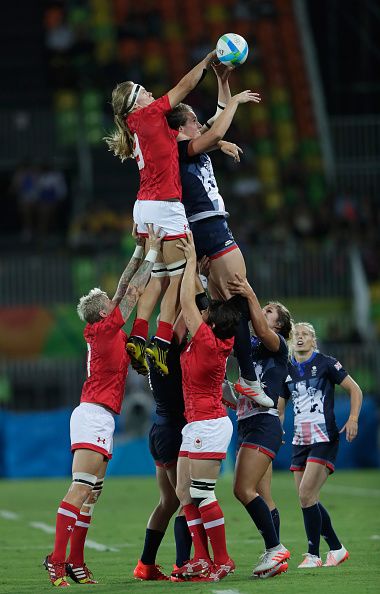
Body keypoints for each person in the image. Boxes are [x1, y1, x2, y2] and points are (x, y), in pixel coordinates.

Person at [43, 225, 163, 588]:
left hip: (99, 415)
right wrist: (154, 252)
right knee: (80, 489)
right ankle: (57, 560)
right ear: (102, 311)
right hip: (93, 413)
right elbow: (135, 289)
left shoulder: (103, 327)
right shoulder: (108, 326)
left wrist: (139, 249)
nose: (116, 300)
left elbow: (126, 284)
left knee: (92, 494)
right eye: (109, 301)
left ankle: (77, 564)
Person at [105, 49, 217, 377]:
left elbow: (194, 139)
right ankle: (161, 341)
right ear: (136, 103)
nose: (151, 93)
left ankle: (139, 335)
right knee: (180, 277)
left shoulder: (138, 125)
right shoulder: (151, 114)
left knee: (158, 276)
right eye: (143, 91)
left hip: (144, 207)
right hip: (166, 206)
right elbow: (185, 85)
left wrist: (219, 143)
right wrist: (208, 61)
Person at [166, 64, 272, 407]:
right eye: (194, 121)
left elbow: (216, 120)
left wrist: (222, 81)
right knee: (239, 299)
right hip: (209, 227)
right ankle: (248, 378)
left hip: (210, 227)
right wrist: (235, 106)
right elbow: (213, 132)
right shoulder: (178, 152)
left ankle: (221, 375)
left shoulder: (192, 147)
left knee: (223, 310)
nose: (200, 123)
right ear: (182, 127)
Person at [172, 232, 241, 583]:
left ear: (213, 322)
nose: (205, 311)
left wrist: (188, 263)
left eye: (209, 311)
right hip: (196, 423)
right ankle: (201, 558)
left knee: (202, 493)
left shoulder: (209, 342)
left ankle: (223, 559)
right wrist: (198, 276)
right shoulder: (214, 338)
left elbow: (186, 305)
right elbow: (188, 311)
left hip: (209, 423)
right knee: (184, 492)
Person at [279, 322, 363, 568]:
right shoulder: (287, 369)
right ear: (291, 341)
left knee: (306, 494)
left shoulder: (327, 363)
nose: (301, 338)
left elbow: (355, 390)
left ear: (314, 340)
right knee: (308, 498)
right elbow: (281, 405)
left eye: (305, 335)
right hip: (299, 440)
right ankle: (336, 549)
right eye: (296, 335)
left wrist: (353, 418)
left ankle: (313, 554)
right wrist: (277, 428)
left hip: (324, 437)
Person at [226, 273, 291, 578]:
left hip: (265, 424)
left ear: (278, 325)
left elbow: (261, 330)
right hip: (248, 422)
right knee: (262, 496)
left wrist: (249, 294)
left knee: (242, 489)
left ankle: (275, 548)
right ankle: (274, 560)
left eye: (269, 311)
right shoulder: (250, 348)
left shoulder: (277, 344)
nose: (263, 311)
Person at [133, 315, 192, 581]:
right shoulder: (168, 350)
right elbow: (181, 321)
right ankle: (182, 565)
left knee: (168, 502)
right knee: (186, 500)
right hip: (174, 432)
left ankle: (145, 564)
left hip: (159, 429)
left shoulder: (155, 351)